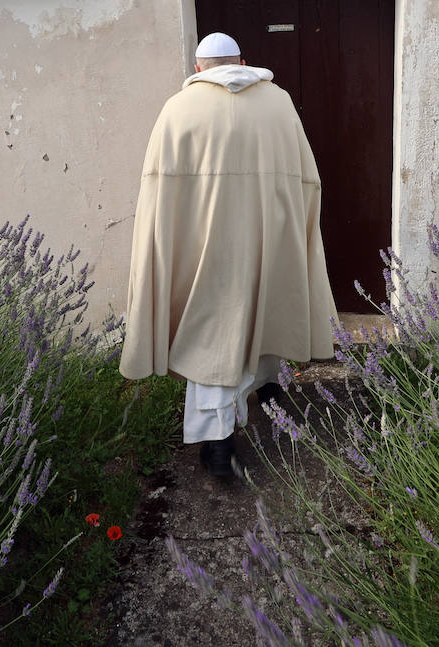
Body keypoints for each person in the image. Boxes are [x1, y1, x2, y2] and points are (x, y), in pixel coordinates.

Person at [121, 31, 336, 478]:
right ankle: (264, 393)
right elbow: (308, 178)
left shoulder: (178, 109)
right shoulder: (278, 102)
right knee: (265, 310)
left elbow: (158, 189)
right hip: (269, 236)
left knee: (211, 337)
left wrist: (166, 245)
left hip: (205, 247)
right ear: (242, 59)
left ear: (200, 68)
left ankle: (218, 443)